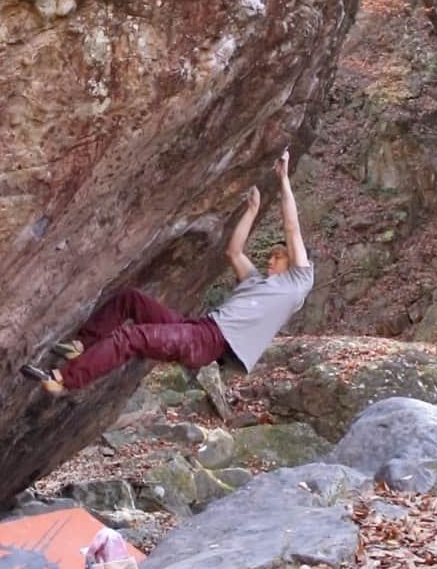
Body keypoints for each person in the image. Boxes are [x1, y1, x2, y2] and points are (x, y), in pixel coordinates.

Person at [21, 148, 313, 397]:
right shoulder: (258, 283)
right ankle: (83, 344)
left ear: (292, 264)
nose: (271, 261)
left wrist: (284, 179)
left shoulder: (298, 284)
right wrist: (251, 211)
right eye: (272, 257)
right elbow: (234, 252)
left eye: (278, 258)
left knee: (130, 338)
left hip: (209, 342)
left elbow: (292, 228)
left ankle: (64, 379)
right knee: (130, 299)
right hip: (199, 328)